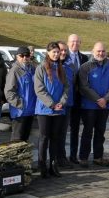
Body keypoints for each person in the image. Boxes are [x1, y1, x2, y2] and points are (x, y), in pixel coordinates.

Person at [79, 42, 109, 167]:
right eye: (98, 51)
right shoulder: (85, 67)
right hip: (90, 105)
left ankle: (98, 157)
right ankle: (83, 158)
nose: (101, 53)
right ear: (92, 51)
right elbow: (84, 87)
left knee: (100, 132)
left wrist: (106, 100)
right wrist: (98, 99)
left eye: (103, 51)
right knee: (87, 132)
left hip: (105, 106)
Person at [34, 42, 69, 178]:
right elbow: (39, 89)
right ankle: (42, 166)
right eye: (53, 52)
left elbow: (66, 87)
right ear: (48, 52)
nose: (56, 54)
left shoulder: (61, 68)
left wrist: (61, 103)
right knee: (44, 138)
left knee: (55, 138)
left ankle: (53, 165)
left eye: (58, 52)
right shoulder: (41, 68)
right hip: (44, 110)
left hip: (59, 110)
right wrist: (52, 104)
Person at [4, 46, 36, 142]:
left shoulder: (32, 69)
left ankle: (23, 157)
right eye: (21, 55)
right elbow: (9, 91)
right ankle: (15, 157)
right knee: (17, 140)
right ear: (17, 56)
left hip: (30, 111)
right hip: (20, 112)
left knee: (25, 139)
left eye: (26, 55)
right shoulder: (14, 71)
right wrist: (20, 104)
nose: (24, 58)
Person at [65, 34, 89, 164]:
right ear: (68, 43)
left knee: (75, 129)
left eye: (77, 42)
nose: (75, 44)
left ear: (80, 43)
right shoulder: (63, 56)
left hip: (80, 99)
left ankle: (73, 156)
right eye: (72, 41)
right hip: (66, 98)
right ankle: (60, 156)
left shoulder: (84, 58)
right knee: (62, 129)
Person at [56, 40, 76, 168]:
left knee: (63, 133)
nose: (63, 53)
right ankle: (53, 159)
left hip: (67, 104)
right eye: (60, 50)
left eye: (65, 50)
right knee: (53, 134)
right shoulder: (50, 65)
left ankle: (61, 158)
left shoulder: (70, 66)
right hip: (55, 105)